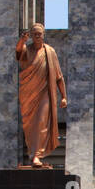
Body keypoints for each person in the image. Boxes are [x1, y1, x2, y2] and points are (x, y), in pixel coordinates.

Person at [16, 23, 67, 168]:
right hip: (28, 94)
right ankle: (32, 154)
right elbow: (19, 54)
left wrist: (63, 96)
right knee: (29, 125)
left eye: (40, 34)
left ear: (44, 35)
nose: (38, 36)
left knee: (42, 122)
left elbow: (58, 76)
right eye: (35, 34)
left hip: (45, 93)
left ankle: (37, 155)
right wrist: (22, 41)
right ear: (31, 36)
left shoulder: (50, 52)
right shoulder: (28, 50)